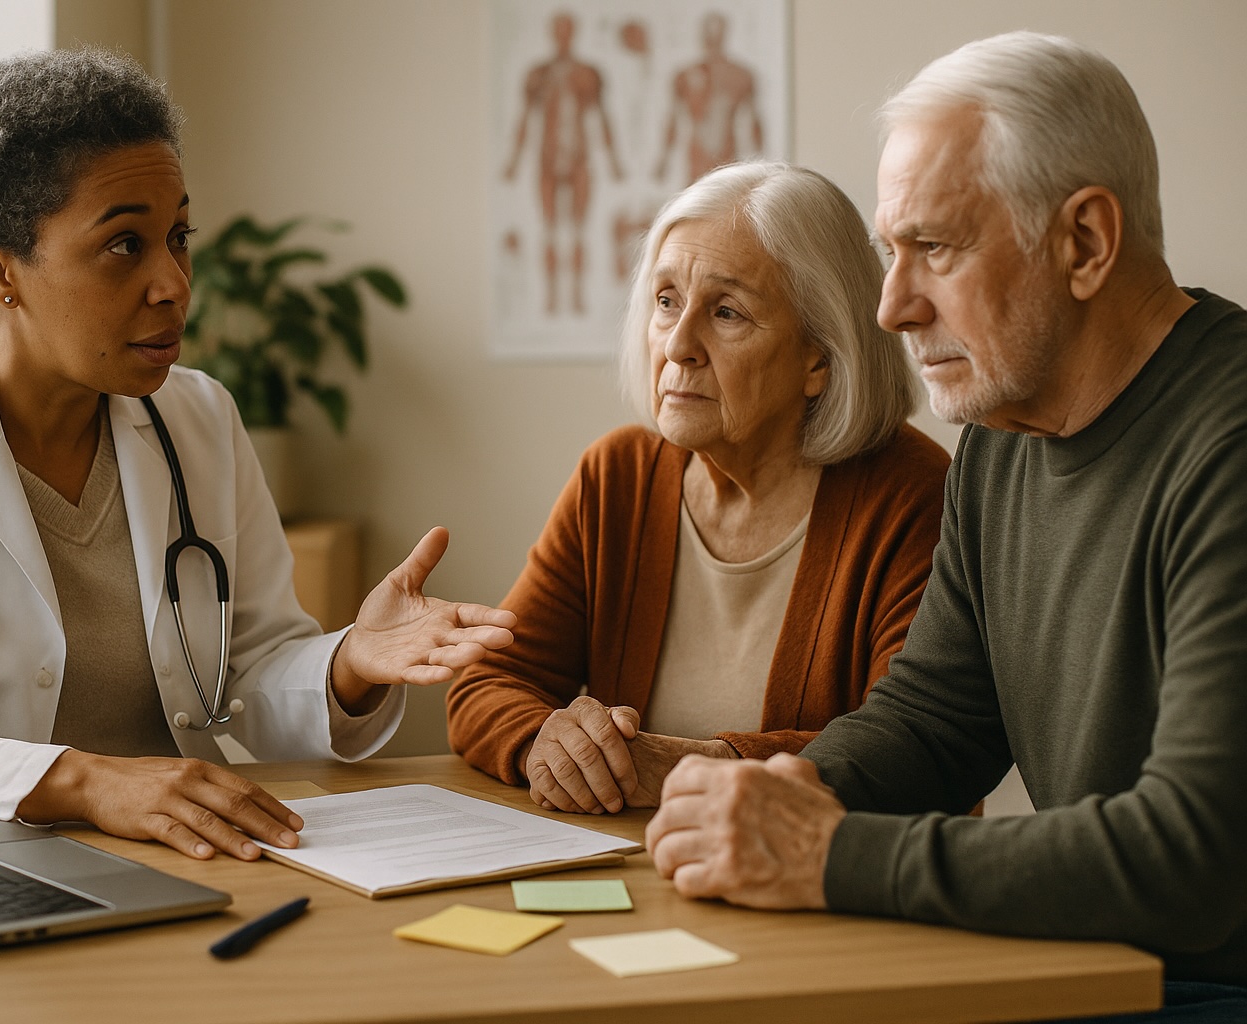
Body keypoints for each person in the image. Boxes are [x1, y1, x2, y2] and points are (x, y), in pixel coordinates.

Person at [0, 49, 516, 865]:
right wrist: (83, 781)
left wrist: (349, 665)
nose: (175, 283)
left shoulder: (199, 419)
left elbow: (247, 680)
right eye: (125, 245)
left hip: (190, 859)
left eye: (178, 237)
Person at [645, 33, 1247, 1018]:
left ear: (1086, 242)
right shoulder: (1004, 435)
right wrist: (756, 793)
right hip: (1113, 966)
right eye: (892, 252)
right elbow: (935, 721)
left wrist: (825, 851)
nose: (890, 307)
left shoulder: (1228, 443)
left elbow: (1191, 856)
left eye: (935, 248)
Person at [448, 161, 948, 814]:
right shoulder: (617, 476)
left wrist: (691, 766)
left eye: (726, 312)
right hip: (636, 877)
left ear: (818, 358)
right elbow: (490, 681)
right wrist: (544, 738)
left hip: (818, 890)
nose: (678, 344)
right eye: (665, 302)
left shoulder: (913, 494)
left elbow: (916, 750)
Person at [502, 11, 625, 316]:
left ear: (574, 33)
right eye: (559, 30)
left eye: (567, 30)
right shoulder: (538, 74)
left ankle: (577, 295)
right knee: (550, 230)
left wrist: (613, 161)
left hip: (580, 159)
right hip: (547, 159)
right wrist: (514, 162)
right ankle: (552, 298)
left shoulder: (587, 74)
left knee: (579, 231)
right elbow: (525, 119)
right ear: (552, 33)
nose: (563, 35)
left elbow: (602, 117)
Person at [654, 12, 765, 187]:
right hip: (696, 159)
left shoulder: (741, 75)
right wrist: (663, 160)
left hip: (728, 157)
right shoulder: (684, 75)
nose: (712, 39)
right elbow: (673, 119)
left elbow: (754, 120)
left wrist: (763, 160)